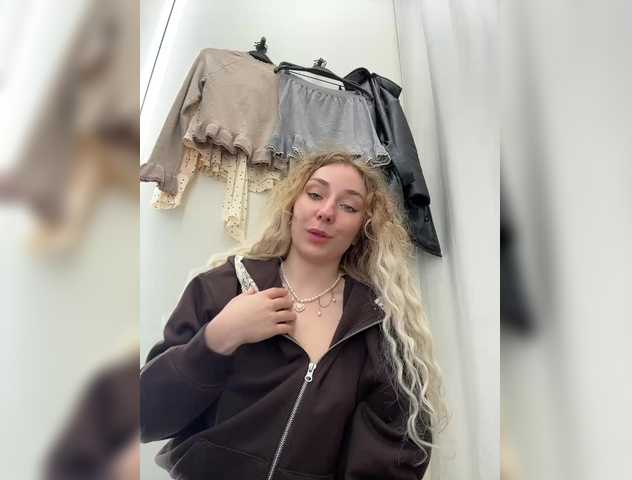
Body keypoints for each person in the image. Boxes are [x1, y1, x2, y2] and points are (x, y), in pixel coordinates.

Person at [140, 151, 447, 479]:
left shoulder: (377, 326)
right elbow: (148, 416)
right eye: (315, 194)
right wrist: (218, 337)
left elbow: (395, 457)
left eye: (348, 206)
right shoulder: (222, 289)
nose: (326, 212)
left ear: (363, 227)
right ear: (292, 205)